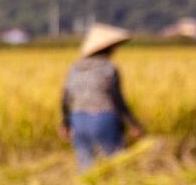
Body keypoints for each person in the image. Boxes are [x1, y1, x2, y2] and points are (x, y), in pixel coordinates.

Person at [60, 23, 144, 169]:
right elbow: (117, 99)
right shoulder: (108, 68)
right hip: (103, 118)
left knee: (85, 166)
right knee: (114, 164)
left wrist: (66, 124)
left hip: (78, 119)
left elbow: (65, 99)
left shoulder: (75, 67)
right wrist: (134, 124)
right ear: (108, 48)